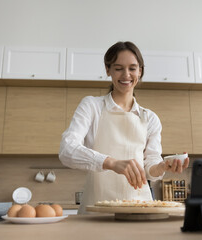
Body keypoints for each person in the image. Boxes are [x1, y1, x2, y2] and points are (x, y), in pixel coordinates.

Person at [59, 41, 189, 214]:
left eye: (132, 68)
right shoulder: (92, 106)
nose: (126, 75)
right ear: (108, 70)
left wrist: (163, 166)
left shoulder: (150, 118)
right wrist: (111, 163)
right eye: (118, 68)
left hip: (140, 208)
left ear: (140, 71)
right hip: (97, 208)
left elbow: (151, 167)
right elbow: (67, 150)